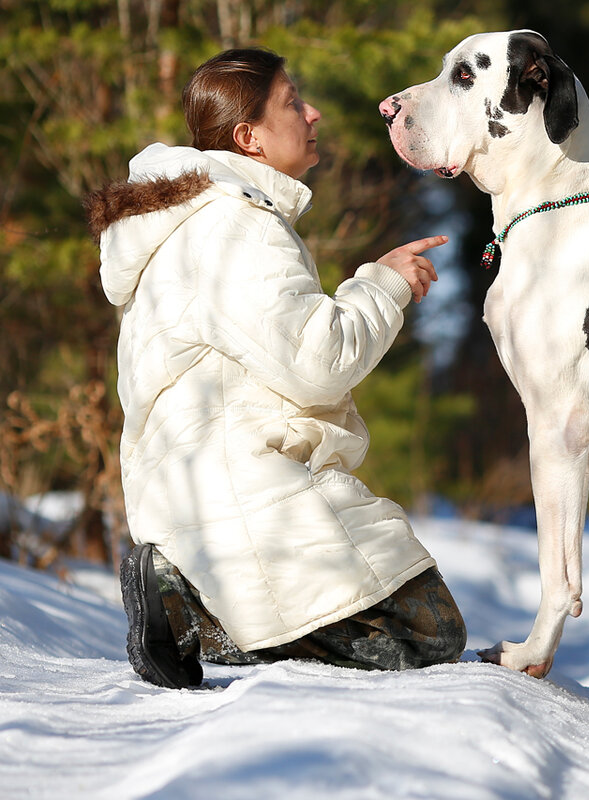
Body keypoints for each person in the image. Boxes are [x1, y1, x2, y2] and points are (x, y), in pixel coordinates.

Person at [84, 48, 466, 688]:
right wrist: (383, 285)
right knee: (431, 633)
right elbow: (319, 364)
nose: (312, 112)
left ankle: (190, 599)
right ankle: (189, 608)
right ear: (248, 138)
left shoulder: (194, 224)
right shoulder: (235, 226)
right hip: (247, 488)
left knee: (412, 619)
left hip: (195, 492)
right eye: (292, 101)